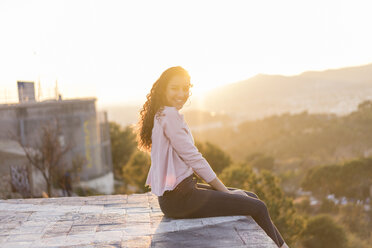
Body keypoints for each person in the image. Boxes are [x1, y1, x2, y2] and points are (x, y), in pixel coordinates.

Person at [137, 66, 289, 248]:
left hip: (178, 195)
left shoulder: (162, 112)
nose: (181, 93)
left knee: (250, 196)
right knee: (258, 207)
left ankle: (282, 245)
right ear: (164, 89)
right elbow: (195, 159)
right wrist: (225, 192)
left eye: (185, 88)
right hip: (180, 199)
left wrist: (229, 194)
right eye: (175, 88)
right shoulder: (169, 116)